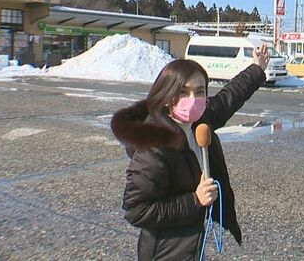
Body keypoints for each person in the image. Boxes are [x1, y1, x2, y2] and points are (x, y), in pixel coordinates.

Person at [111, 45, 269, 260]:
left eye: (200, 91)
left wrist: (257, 69)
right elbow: (137, 210)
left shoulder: (199, 120)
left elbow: (230, 96)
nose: (193, 99)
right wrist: (195, 200)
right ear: (167, 95)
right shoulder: (154, 147)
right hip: (165, 253)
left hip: (193, 245)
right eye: (183, 92)